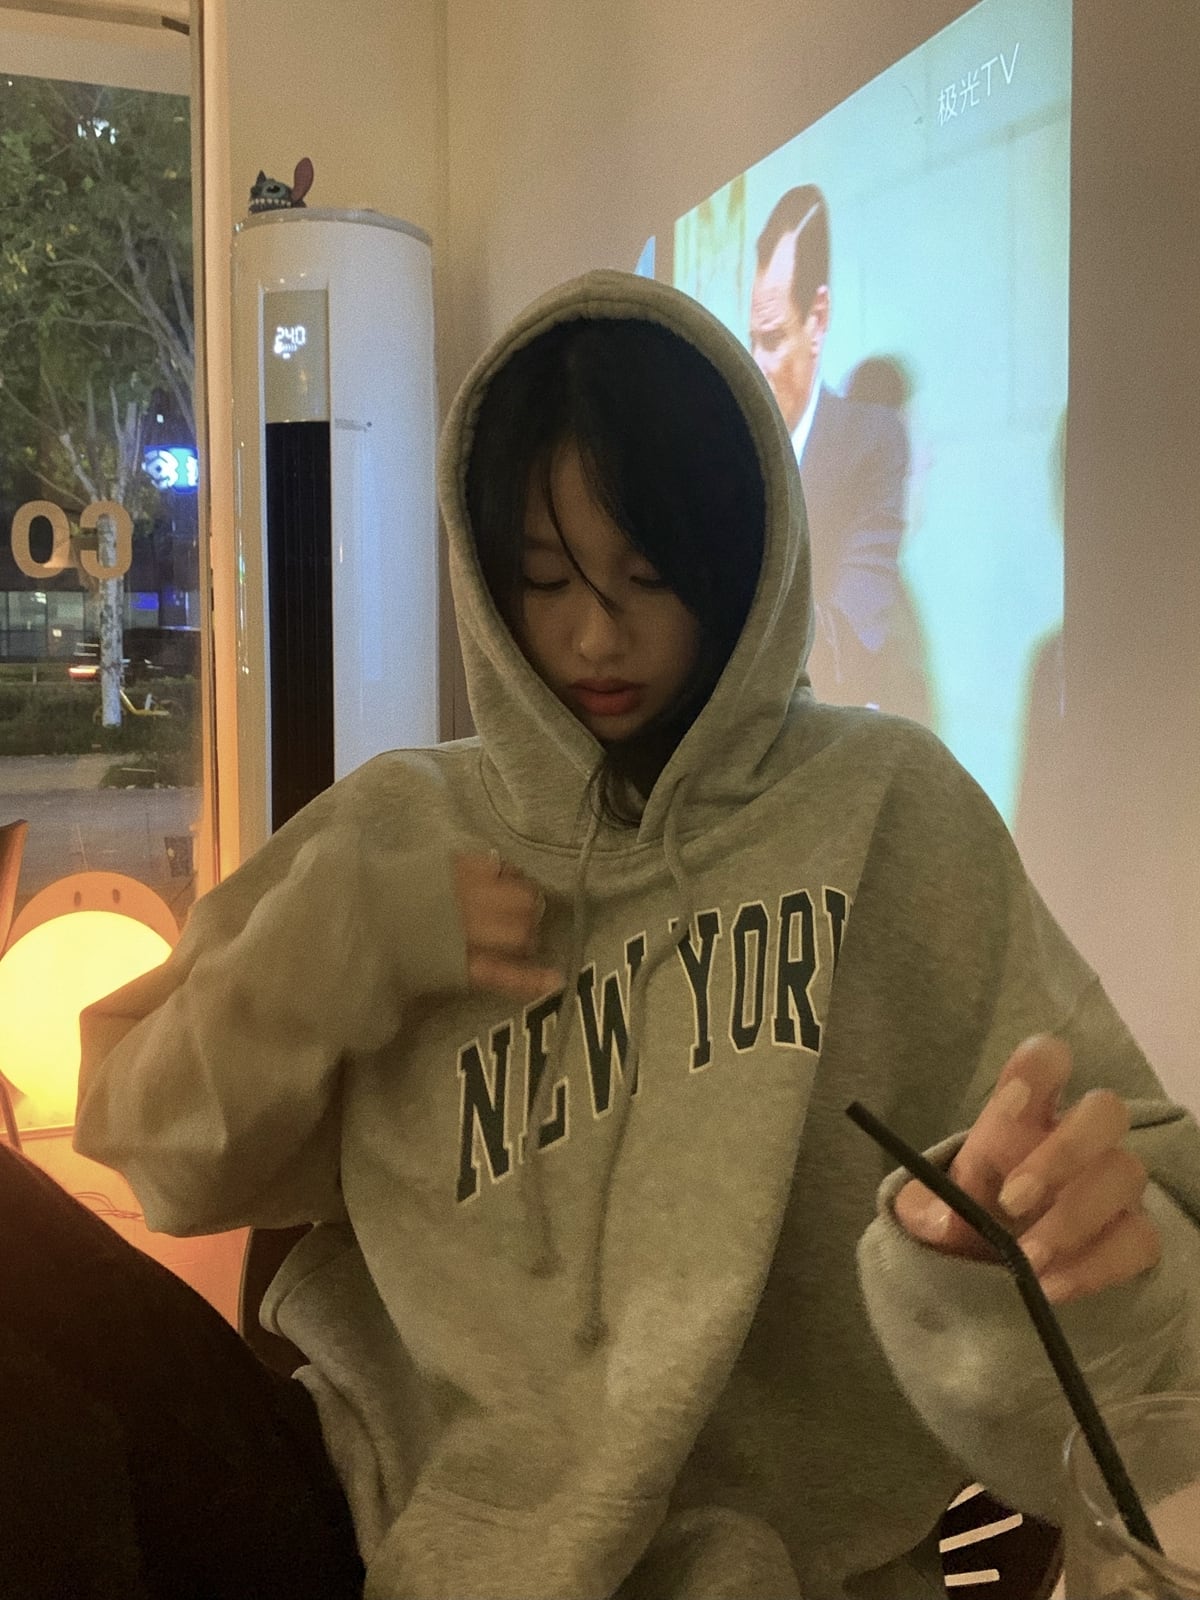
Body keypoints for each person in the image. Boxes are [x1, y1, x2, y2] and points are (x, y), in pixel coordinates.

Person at [4, 268, 1197, 1600]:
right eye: (542, 578)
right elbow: (159, 1157)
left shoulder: (888, 811)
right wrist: (339, 946)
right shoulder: (397, 823)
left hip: (771, 1563)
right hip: (387, 1513)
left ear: (738, 564)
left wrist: (1004, 1267)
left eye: (649, 577)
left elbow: (1155, 1341)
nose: (591, 635)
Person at [751, 185, 931, 724]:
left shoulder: (872, 443)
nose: (756, 365)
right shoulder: (735, 451)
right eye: (751, 340)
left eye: (773, 339)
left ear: (818, 318)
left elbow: (851, 637)